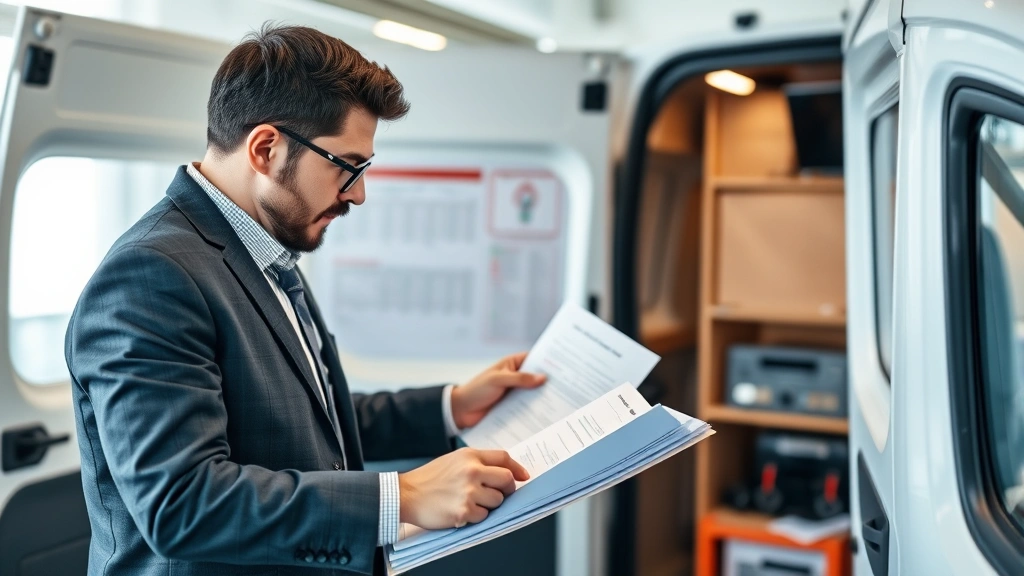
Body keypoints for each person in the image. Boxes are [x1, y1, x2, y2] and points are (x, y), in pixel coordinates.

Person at [64, 23, 545, 576]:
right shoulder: (149, 277)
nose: (358, 194)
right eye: (346, 166)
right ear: (266, 149)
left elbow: (305, 420)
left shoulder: (262, 247)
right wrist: (403, 496)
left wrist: (452, 404)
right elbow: (182, 505)